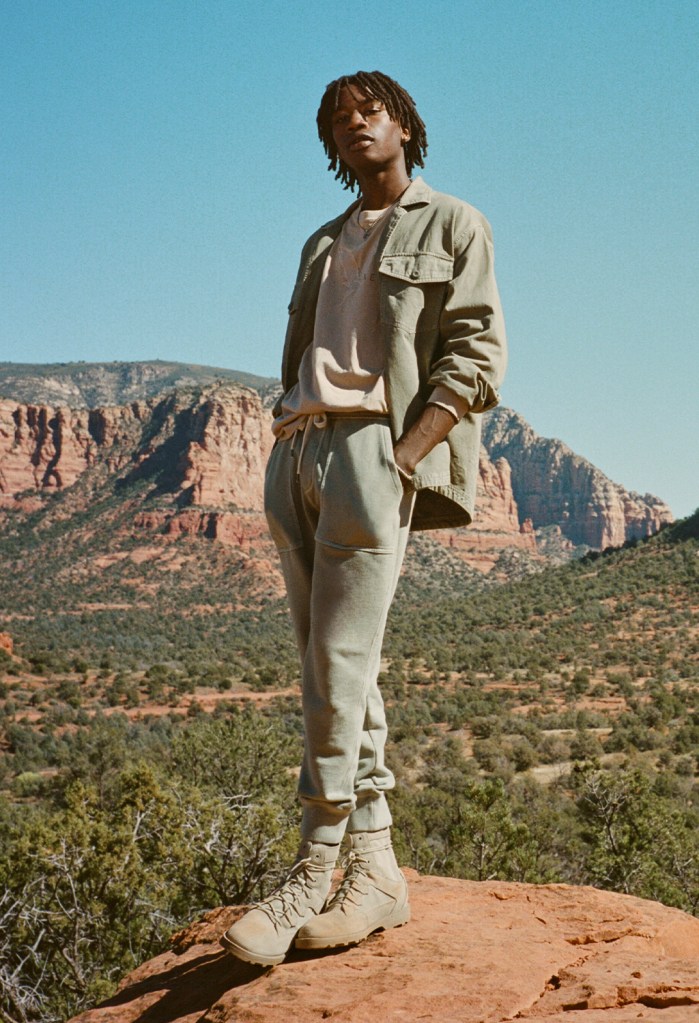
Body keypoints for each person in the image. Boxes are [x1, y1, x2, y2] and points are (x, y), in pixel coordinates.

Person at [221, 70, 507, 966]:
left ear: (404, 125)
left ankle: (316, 864)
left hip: (372, 452)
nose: (355, 128)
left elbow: (477, 351)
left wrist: (404, 453)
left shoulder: (453, 222)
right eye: (338, 123)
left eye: (368, 113)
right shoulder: (320, 241)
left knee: (339, 663)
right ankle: (377, 867)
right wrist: (285, 435)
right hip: (299, 449)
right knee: (331, 664)